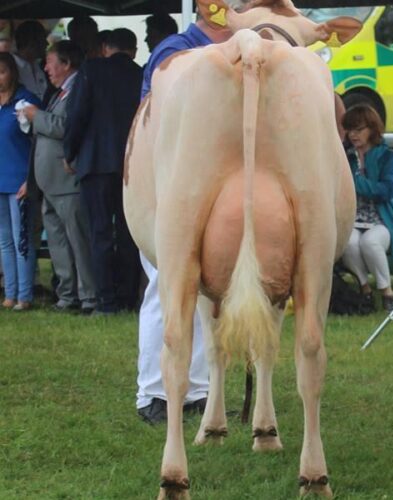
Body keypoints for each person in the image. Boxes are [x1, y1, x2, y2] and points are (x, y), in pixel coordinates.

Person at [135, 15, 233, 424]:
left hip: (201, 187)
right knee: (165, 289)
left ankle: (196, 390)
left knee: (203, 294)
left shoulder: (209, 51)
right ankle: (153, 392)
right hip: (166, 190)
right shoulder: (175, 52)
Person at [63, 28, 143, 315]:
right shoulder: (141, 74)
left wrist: (69, 152)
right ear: (133, 51)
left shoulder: (91, 70)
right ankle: (128, 297)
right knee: (128, 233)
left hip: (95, 161)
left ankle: (105, 301)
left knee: (99, 232)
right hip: (132, 164)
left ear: (106, 47)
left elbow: (77, 115)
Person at [20, 40, 97, 314]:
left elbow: (68, 127)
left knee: (78, 242)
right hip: (49, 182)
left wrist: (36, 116)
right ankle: (66, 295)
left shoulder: (77, 89)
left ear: (66, 64)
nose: (46, 68)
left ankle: (88, 297)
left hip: (67, 182)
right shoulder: (58, 92)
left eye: (51, 62)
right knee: (58, 243)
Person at [341, 104, 393, 312]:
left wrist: (356, 183)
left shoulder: (387, 156)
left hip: (383, 220)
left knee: (370, 242)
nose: (353, 135)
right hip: (352, 219)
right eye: (349, 130)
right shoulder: (345, 155)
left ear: (372, 129)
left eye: (359, 129)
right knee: (348, 243)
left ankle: (387, 292)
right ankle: (365, 289)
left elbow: (386, 191)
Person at [0, 53, 41, 311]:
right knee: (4, 241)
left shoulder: (25, 102)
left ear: (12, 73)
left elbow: (39, 143)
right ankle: (10, 293)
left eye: (2, 72)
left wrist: (31, 179)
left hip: (19, 181)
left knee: (22, 239)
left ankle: (24, 295)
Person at [12, 20, 49, 101]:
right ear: (31, 42)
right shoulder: (9, 67)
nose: (47, 44)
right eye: (43, 39)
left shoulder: (41, 66)